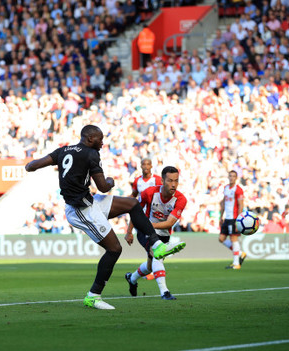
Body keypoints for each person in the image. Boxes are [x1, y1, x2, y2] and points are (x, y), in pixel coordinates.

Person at [25, 125, 185, 310]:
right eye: (100, 139)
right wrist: (110, 181)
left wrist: (29, 166)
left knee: (132, 204)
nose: (102, 142)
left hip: (90, 202)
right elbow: (103, 187)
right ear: (90, 139)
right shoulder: (91, 153)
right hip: (81, 210)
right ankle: (93, 296)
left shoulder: (63, 150)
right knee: (115, 249)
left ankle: (157, 245)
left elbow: (33, 165)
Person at [124, 166, 187, 300]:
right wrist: (129, 231)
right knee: (156, 254)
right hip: (145, 231)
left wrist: (149, 224)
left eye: (176, 181)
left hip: (163, 233)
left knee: (150, 265)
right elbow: (136, 212)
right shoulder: (149, 193)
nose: (174, 184)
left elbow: (170, 223)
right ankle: (164, 292)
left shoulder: (181, 199)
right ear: (162, 181)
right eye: (170, 180)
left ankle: (132, 278)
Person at [130, 158, 162, 280]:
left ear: (151, 166)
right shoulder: (137, 181)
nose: (146, 166)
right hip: (141, 217)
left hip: (155, 217)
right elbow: (133, 196)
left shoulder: (157, 179)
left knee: (153, 249)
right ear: (140, 166)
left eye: (148, 164)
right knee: (151, 248)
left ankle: (135, 276)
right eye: (143, 164)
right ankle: (156, 272)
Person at [219, 170, 247, 269]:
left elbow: (241, 205)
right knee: (221, 239)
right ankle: (239, 253)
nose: (231, 178)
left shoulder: (238, 189)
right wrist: (221, 216)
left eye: (233, 176)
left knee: (233, 239)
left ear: (236, 178)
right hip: (227, 218)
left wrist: (238, 219)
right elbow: (223, 203)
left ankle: (236, 263)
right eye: (230, 176)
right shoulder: (226, 188)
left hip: (234, 218)